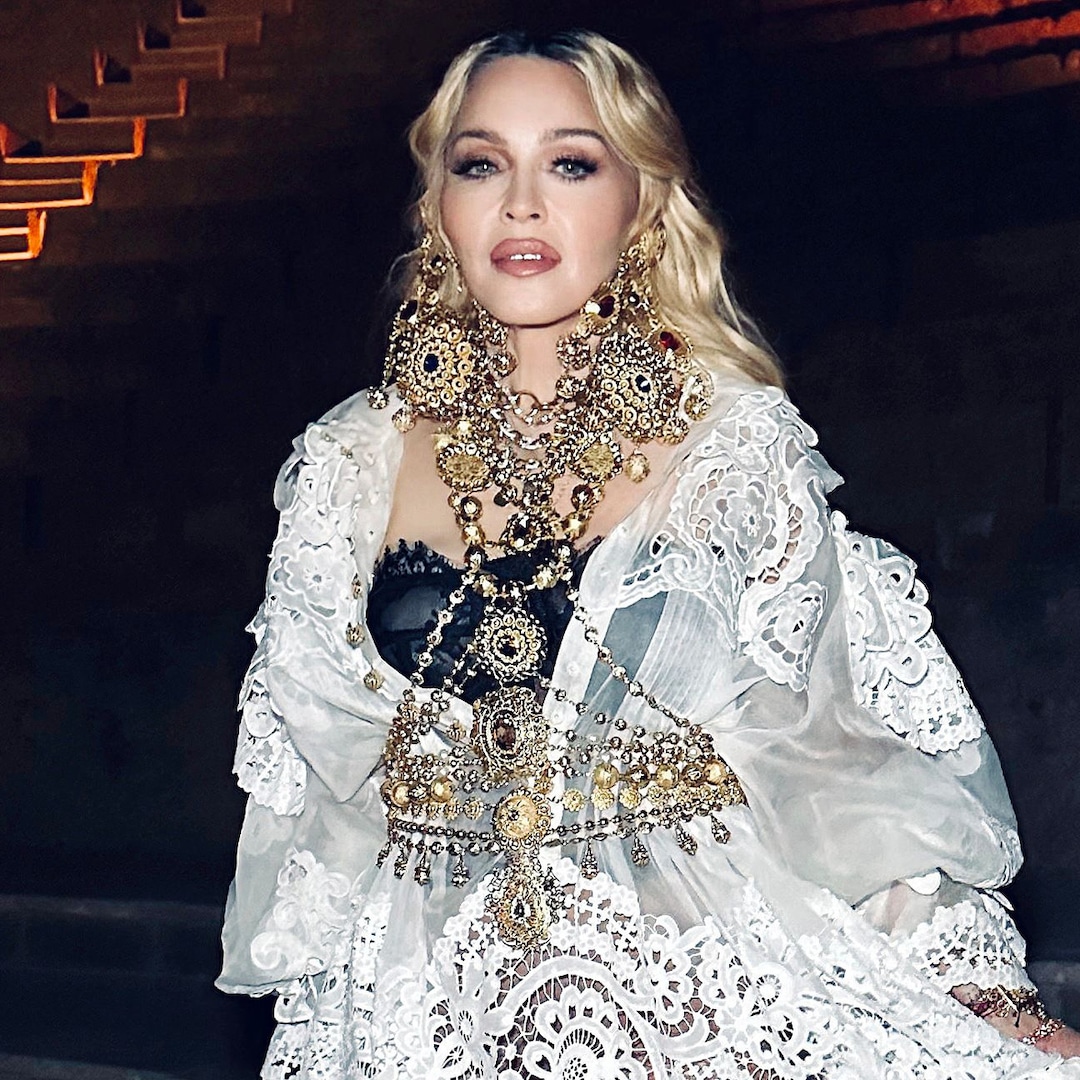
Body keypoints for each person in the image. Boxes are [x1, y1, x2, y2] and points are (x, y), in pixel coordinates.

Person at [217, 29, 1080, 1078]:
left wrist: (982, 996)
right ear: (438, 206)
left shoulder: (733, 449)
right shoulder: (347, 465)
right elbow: (325, 808)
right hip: (422, 1015)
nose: (521, 205)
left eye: (571, 164)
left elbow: (833, 761)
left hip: (697, 1001)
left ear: (644, 203)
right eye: (481, 164)